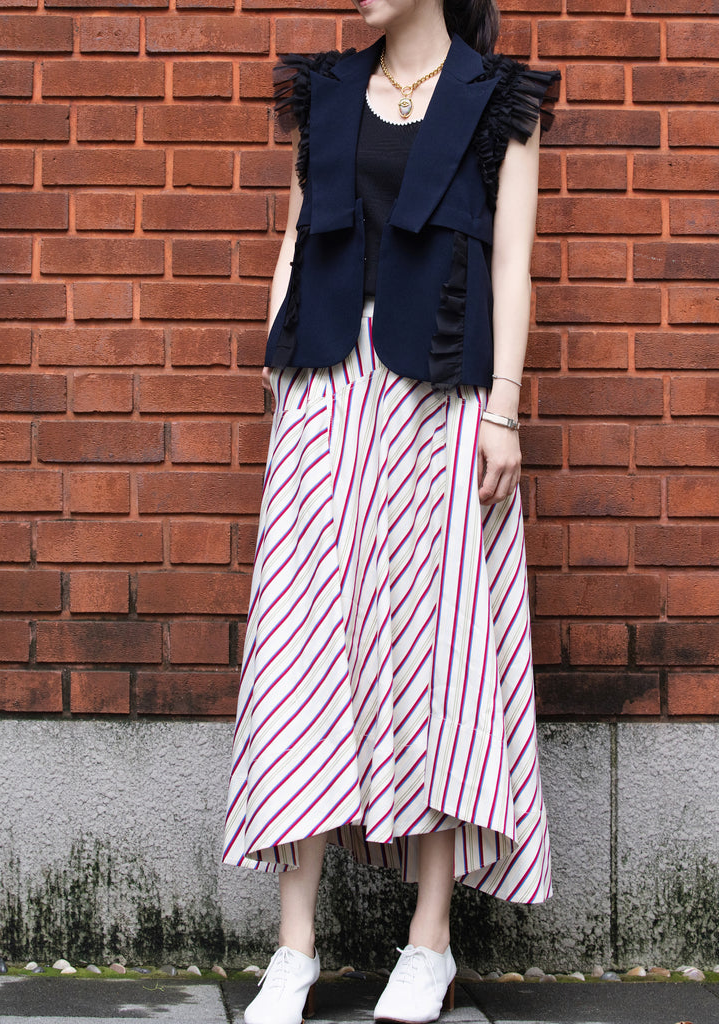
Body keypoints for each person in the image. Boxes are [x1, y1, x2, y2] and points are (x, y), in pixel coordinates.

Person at [222, 0, 560, 1017]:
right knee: (302, 643)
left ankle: (430, 937)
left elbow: (514, 264)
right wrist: (279, 370)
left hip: (444, 398)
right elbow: (294, 236)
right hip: (326, 390)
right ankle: (294, 945)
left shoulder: (500, 101)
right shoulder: (324, 91)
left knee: (437, 642)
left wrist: (503, 413)